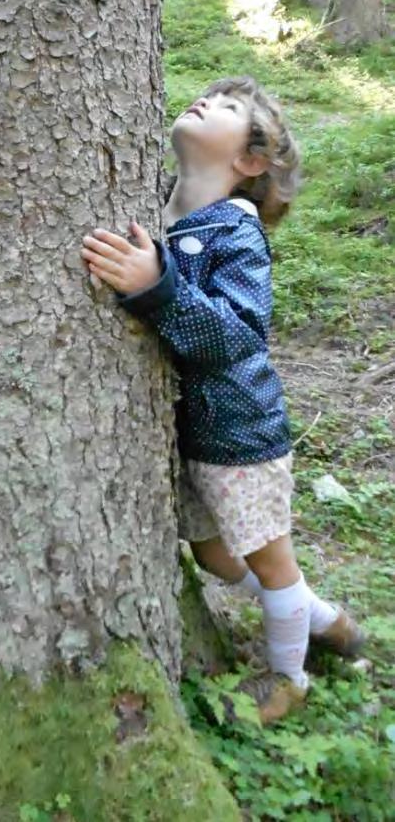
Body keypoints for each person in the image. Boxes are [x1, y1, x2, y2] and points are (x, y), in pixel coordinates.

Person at [81, 75, 364, 724]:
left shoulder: (234, 233)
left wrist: (158, 285)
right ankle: (318, 617)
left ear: (250, 162)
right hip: (192, 432)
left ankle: (290, 679)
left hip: (239, 434)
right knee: (211, 552)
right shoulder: (163, 205)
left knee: (270, 561)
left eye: (230, 107)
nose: (206, 101)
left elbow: (238, 332)